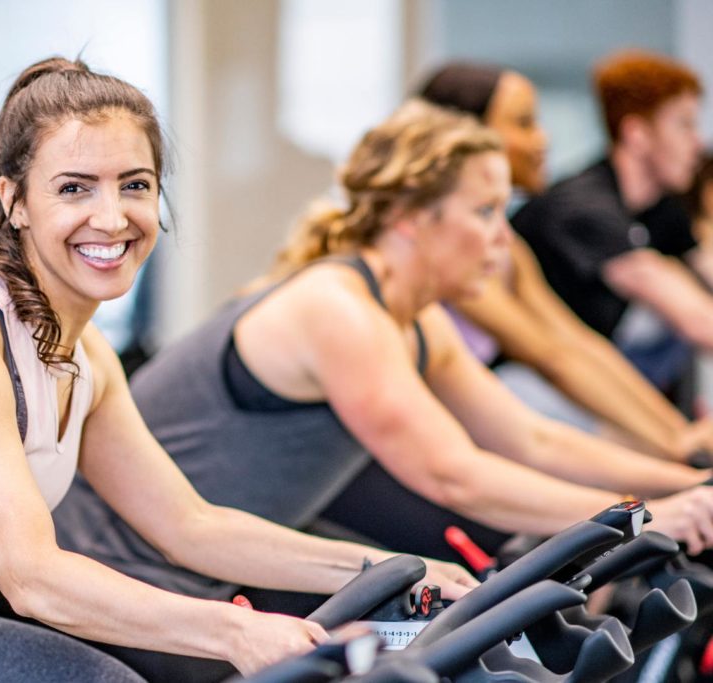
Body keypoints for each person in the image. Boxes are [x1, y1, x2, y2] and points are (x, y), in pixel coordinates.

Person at [0, 57, 475, 682]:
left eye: (135, 185)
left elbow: (186, 524)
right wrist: (234, 629)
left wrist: (400, 571)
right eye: (75, 188)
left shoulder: (84, 352)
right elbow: (32, 577)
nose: (113, 217)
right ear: (14, 200)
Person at [54, 100, 713, 618]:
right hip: (128, 575)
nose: (500, 238)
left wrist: (680, 481)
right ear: (411, 219)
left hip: (222, 566)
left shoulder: (416, 316)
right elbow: (455, 475)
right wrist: (638, 512)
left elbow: (529, 438)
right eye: (484, 211)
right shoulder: (337, 309)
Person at [420, 61, 713, 463]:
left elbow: (575, 342)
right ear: (467, 137)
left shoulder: (509, 245)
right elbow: (550, 356)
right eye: (525, 123)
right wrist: (677, 450)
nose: (544, 138)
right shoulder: (450, 245)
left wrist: (679, 438)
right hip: (456, 426)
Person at [512, 50, 712, 397]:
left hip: (600, 379)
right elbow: (695, 320)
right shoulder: (582, 208)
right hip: (534, 385)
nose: (696, 144)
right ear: (636, 133)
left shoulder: (662, 208)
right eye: (683, 124)